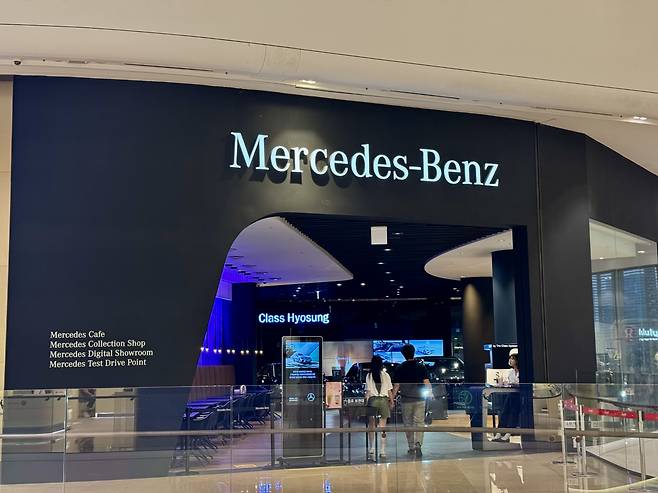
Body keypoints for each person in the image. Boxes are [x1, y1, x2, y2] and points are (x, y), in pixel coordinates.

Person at [392, 344, 431, 458]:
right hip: (420, 399)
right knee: (419, 422)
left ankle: (411, 446)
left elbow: (397, 386)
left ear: (403, 354)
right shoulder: (421, 367)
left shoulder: (400, 368)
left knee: (408, 423)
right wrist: (431, 393)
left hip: (406, 399)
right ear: (414, 353)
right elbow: (426, 382)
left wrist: (392, 399)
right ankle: (418, 443)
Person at [365, 355, 394, 459]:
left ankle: (372, 448)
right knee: (383, 427)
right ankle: (382, 450)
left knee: (371, 426)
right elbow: (389, 390)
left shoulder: (369, 375)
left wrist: (365, 402)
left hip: (372, 401)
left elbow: (368, 392)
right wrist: (392, 401)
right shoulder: (386, 375)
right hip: (383, 401)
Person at [493, 352, 520, 442]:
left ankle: (508, 433)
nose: (510, 360)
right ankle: (499, 432)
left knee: (513, 412)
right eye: (510, 358)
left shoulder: (522, 372)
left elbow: (521, 384)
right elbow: (509, 383)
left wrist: (515, 384)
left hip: (519, 395)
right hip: (511, 394)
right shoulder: (510, 372)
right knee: (504, 412)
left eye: (512, 358)